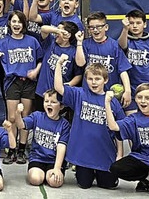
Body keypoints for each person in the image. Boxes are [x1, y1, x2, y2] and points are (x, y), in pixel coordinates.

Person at [54, 59, 125, 189]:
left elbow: (118, 131)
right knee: (84, 184)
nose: (93, 82)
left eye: (97, 79)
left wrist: (119, 154)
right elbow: (59, 88)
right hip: (83, 154)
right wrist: (58, 65)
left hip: (104, 153)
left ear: (106, 80)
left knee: (108, 185)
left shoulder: (113, 102)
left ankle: (101, 173)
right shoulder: (79, 94)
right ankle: (85, 171)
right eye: (90, 79)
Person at [0, 11, 42, 164]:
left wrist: (36, 70)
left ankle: (22, 149)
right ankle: (12, 149)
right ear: (9, 23)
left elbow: (41, 59)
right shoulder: (3, 42)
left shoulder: (32, 41)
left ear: (24, 24)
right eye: (13, 21)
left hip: (28, 83)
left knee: (25, 116)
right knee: (11, 117)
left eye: (19, 22)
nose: (16, 25)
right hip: (12, 82)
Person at [3, 90, 71, 188]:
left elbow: (62, 147)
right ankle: (41, 173)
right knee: (35, 179)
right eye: (46, 101)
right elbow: (21, 125)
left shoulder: (64, 125)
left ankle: (50, 173)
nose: (49, 104)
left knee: (54, 182)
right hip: (38, 158)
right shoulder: (37, 116)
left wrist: (57, 168)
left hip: (54, 161)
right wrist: (18, 113)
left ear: (61, 106)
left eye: (53, 102)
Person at [75, 11, 132, 108]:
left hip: (109, 95)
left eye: (99, 26)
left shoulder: (114, 46)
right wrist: (79, 42)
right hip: (89, 94)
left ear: (106, 27)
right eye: (91, 27)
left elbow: (123, 70)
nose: (95, 30)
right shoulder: (85, 44)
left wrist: (127, 90)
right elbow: (80, 63)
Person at [118, 9, 149, 114]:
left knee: (147, 118)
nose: (135, 26)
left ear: (144, 24)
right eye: (131, 23)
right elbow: (121, 46)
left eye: (138, 23)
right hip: (130, 89)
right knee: (132, 119)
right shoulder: (127, 40)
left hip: (147, 87)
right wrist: (125, 29)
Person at [34, 22, 83, 112]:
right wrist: (58, 30)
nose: (56, 33)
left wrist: (69, 84)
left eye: (60, 31)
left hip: (59, 96)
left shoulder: (73, 52)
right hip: (41, 92)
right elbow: (43, 29)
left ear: (67, 35)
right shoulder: (50, 43)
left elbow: (78, 75)